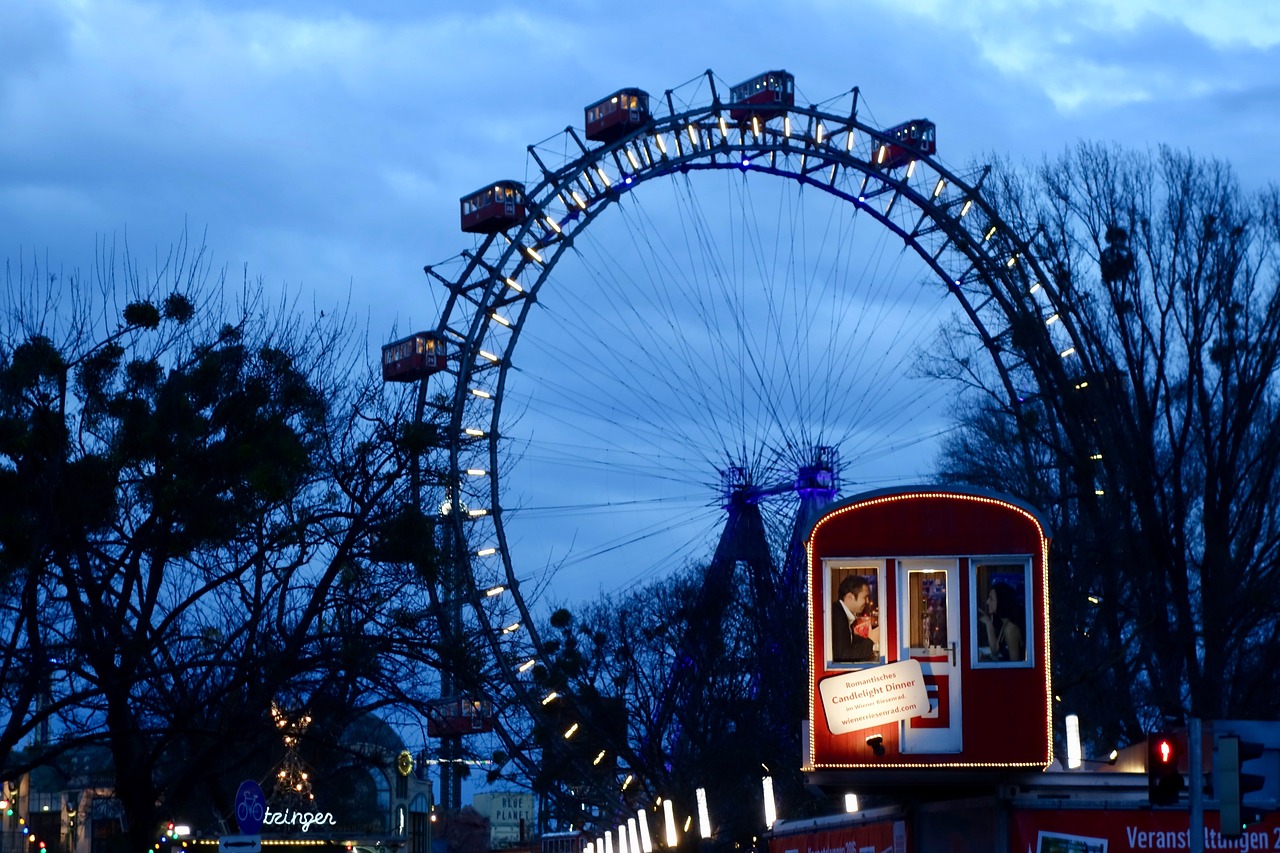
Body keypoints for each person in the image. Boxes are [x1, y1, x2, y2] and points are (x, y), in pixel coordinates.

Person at [832, 575, 876, 662]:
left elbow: (851, 642)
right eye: (865, 597)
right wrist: (872, 640)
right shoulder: (836, 616)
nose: (867, 601)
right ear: (849, 597)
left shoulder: (841, 613)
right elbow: (843, 656)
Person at [979, 581, 1025, 661]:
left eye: (991, 599)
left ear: (1001, 600)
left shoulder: (1010, 629)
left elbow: (1015, 666)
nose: (987, 602)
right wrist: (988, 622)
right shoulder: (1005, 623)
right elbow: (995, 651)